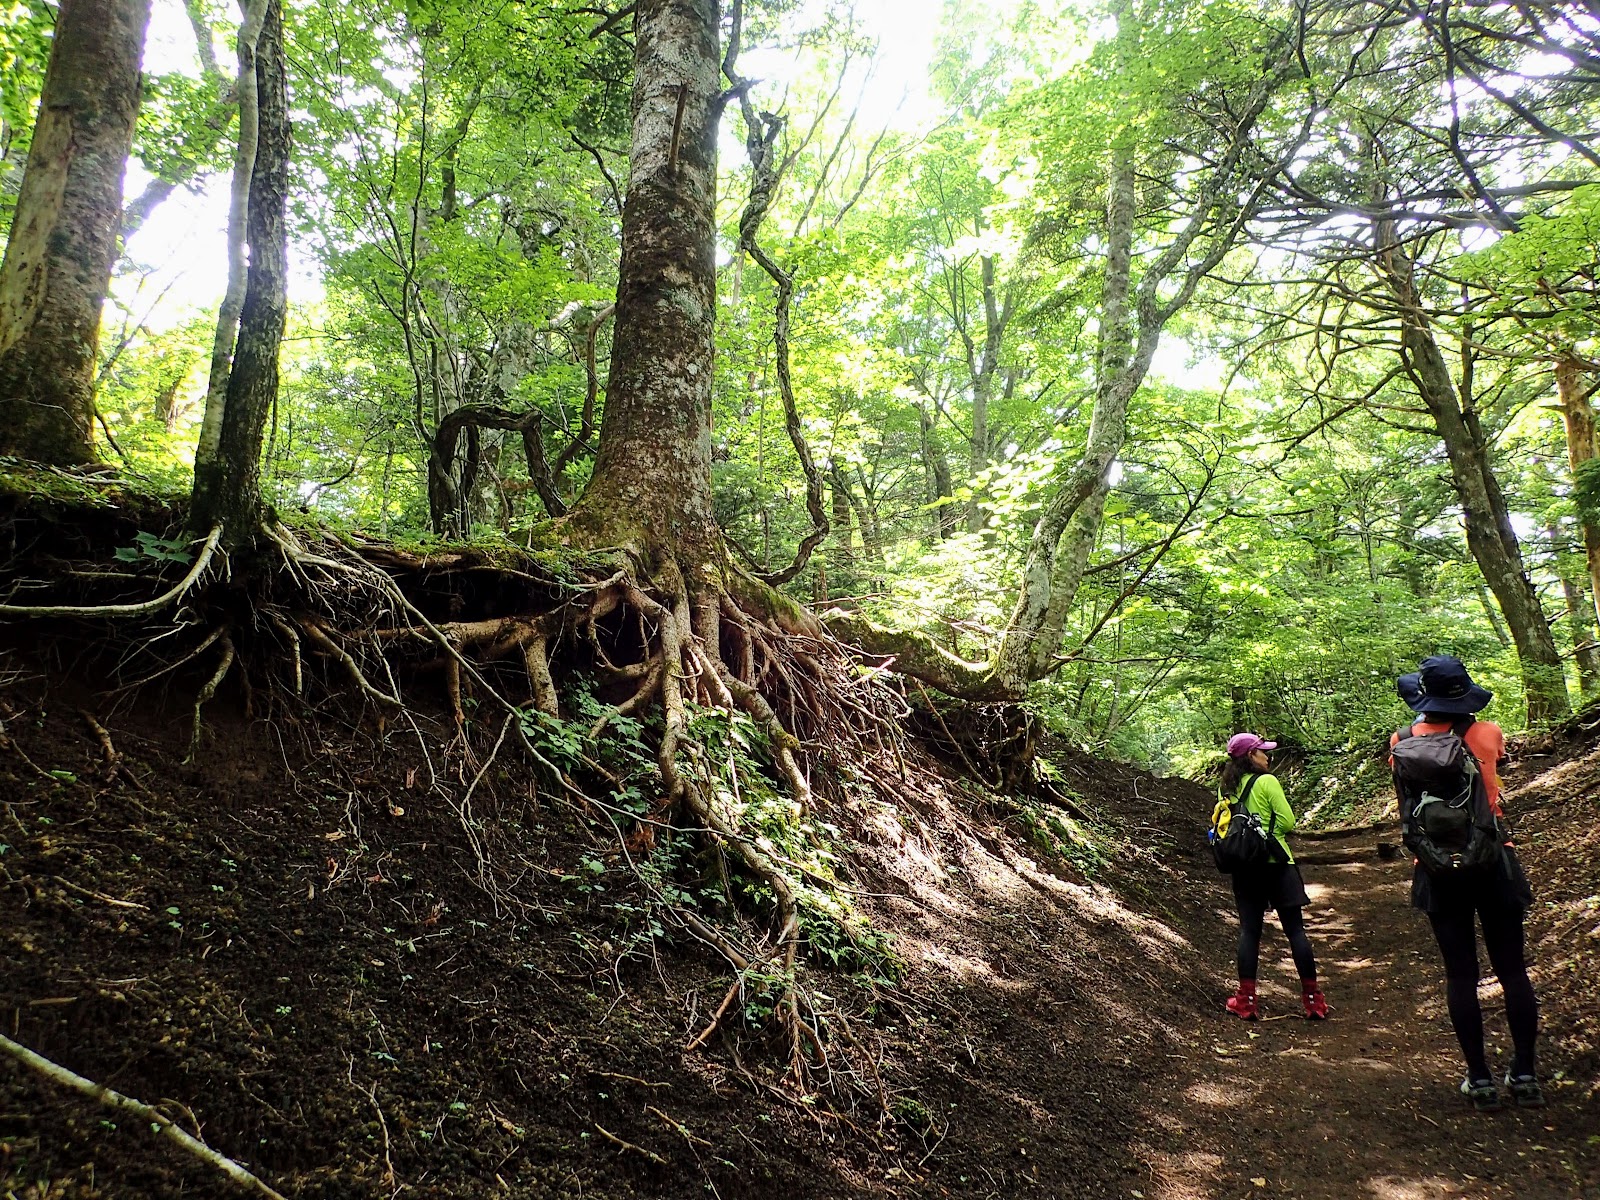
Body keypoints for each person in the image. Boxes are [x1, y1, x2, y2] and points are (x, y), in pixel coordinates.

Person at [1392, 655, 1542, 1111]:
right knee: (1512, 970)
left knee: (1460, 975)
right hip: (1495, 860)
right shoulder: (1488, 733)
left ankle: (1479, 1078)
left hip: (1437, 867)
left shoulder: (1401, 741)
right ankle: (1525, 1074)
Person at [1215, 732, 1328, 1020]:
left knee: (1249, 932)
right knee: (1295, 931)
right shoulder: (1267, 781)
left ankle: (1245, 1001)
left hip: (1245, 868)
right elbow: (1288, 821)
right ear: (1251, 755)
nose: (1267, 756)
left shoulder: (1226, 787)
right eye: (1263, 751)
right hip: (1277, 863)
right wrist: (1269, 832)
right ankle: (1313, 1001)